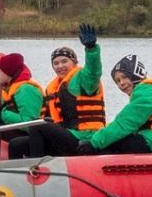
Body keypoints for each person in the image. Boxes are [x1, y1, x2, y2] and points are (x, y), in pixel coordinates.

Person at [9, 24, 107, 159]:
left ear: (74, 62)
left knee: (37, 126)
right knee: (16, 144)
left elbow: (94, 71)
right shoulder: (53, 87)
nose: (60, 66)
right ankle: (18, 175)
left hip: (87, 137)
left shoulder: (83, 80)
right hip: (67, 135)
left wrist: (91, 49)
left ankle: (38, 169)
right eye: (56, 63)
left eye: (64, 61)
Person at [77, 54, 152, 156]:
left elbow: (126, 122)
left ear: (135, 73)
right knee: (112, 139)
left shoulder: (147, 90)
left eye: (124, 77)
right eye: (118, 81)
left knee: (107, 145)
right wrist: (99, 134)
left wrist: (94, 143)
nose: (121, 83)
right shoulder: (146, 91)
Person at [0, 53, 44, 159]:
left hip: (36, 135)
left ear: (7, 74)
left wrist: (3, 116)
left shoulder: (26, 90)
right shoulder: (12, 88)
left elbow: (30, 124)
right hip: (21, 130)